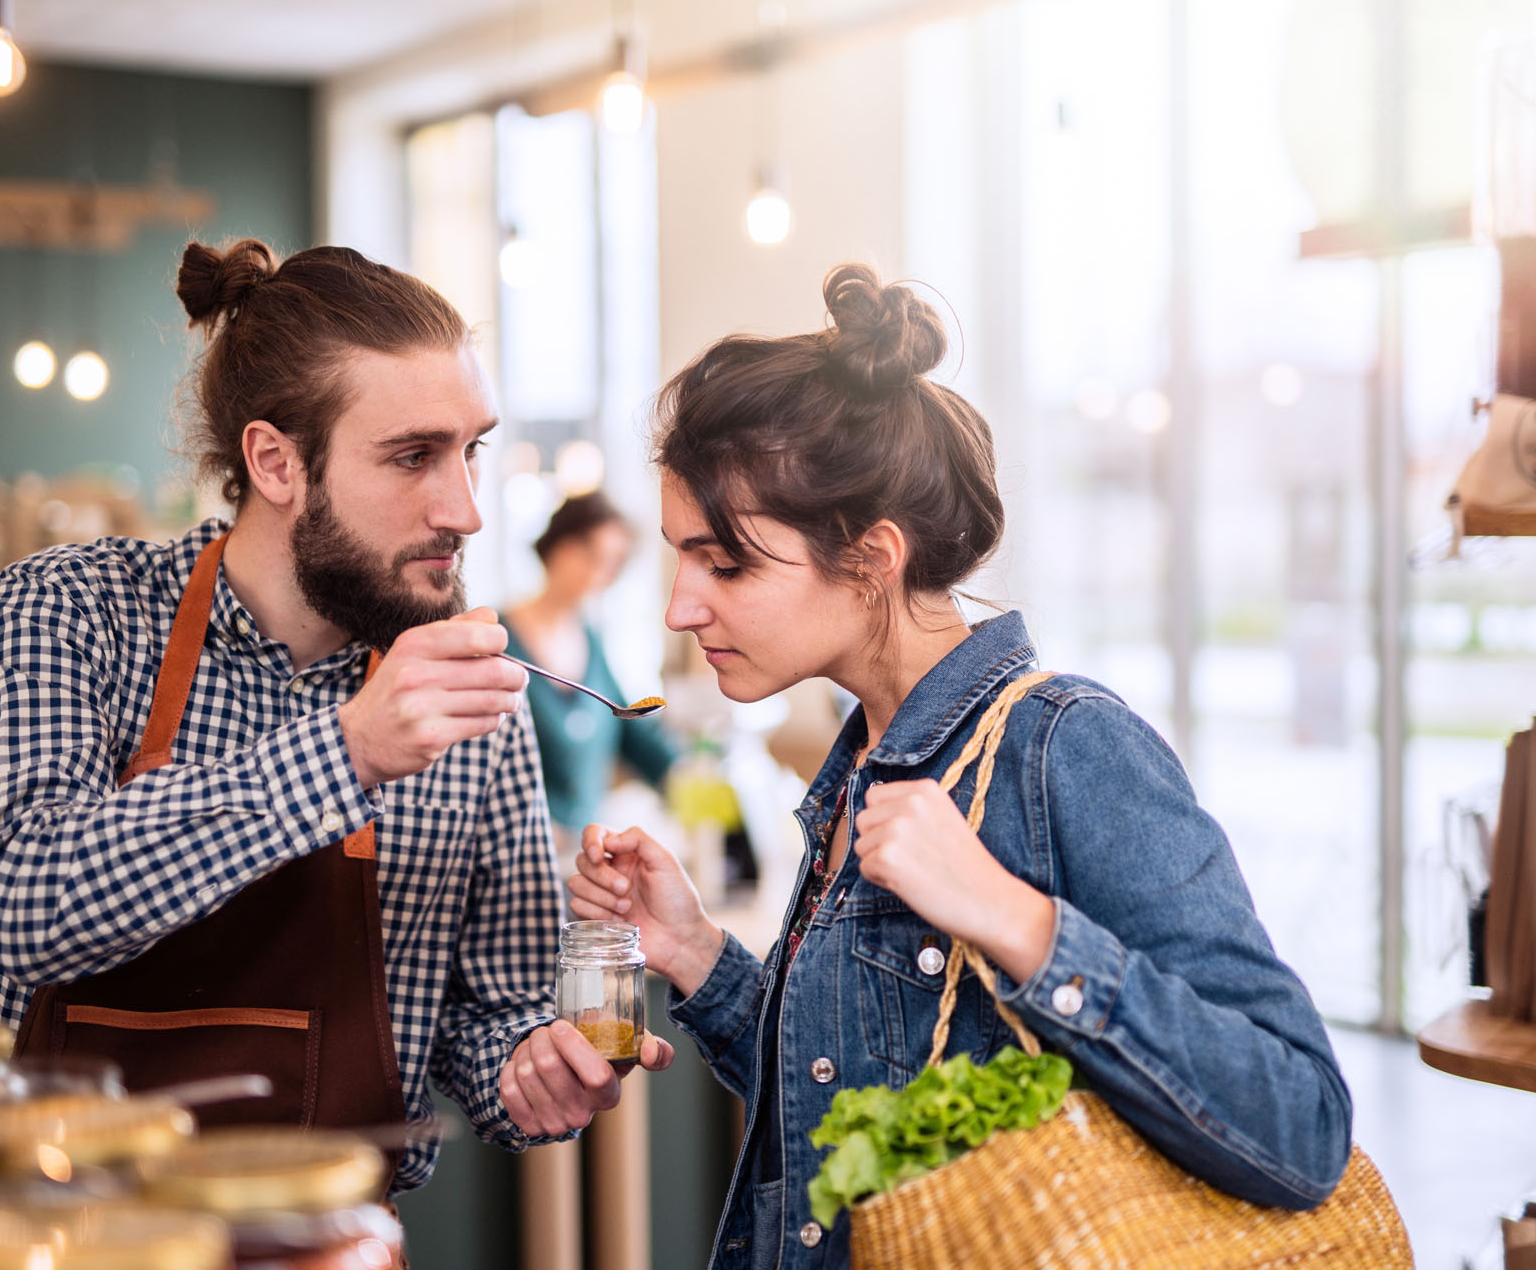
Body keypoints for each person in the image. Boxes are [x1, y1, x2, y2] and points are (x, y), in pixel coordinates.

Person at [567, 265, 1352, 1268]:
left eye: (725, 563)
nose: (680, 606)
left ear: (871, 558)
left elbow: (1302, 1125)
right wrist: (698, 958)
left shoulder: (1065, 748)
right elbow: (854, 1107)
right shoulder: (865, 773)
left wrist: (1014, 920)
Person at [0, 238, 670, 1198]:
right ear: (276, 462)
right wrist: (346, 754)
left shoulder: (471, 689)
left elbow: (487, 1010)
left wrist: (529, 1069)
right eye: (413, 456)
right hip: (61, 1234)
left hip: (330, 1242)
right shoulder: (75, 610)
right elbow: (17, 907)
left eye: (471, 451)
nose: (465, 509)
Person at [501, 491, 676, 844]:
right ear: (556, 545)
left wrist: (686, 771)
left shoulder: (592, 641)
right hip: (517, 848)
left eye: (613, 563)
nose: (600, 574)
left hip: (583, 851)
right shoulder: (497, 640)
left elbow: (631, 731)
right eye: (591, 555)